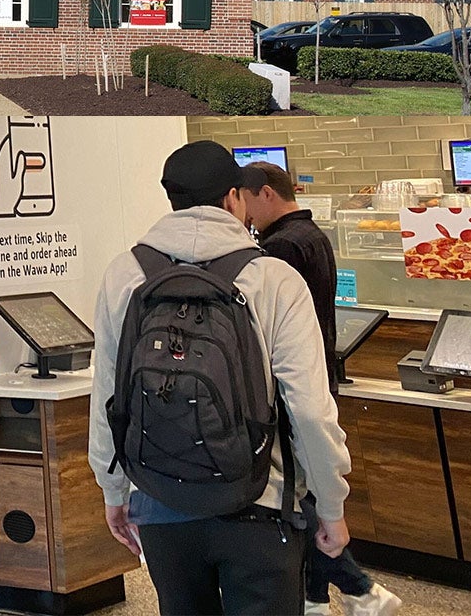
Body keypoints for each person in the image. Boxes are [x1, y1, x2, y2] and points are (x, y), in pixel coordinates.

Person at [88, 140, 353, 615]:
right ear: (234, 198)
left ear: (171, 199)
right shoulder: (273, 279)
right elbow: (310, 410)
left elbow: (107, 395)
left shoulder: (124, 275)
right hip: (260, 502)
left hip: (158, 499)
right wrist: (330, 505)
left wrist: (112, 491)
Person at [241, 161, 402, 616]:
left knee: (301, 496)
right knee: (306, 493)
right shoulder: (312, 236)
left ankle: (360, 589)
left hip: (294, 386)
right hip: (319, 376)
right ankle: (316, 599)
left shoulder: (280, 249)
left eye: (246, 201)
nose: (245, 214)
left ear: (264, 194)